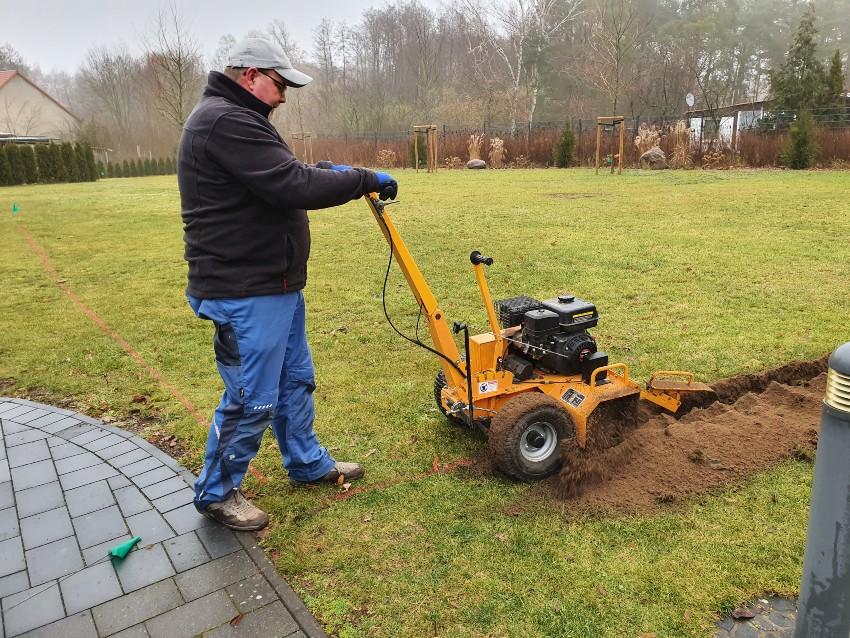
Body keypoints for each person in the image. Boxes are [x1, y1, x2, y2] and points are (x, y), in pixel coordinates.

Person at [177, 36, 397, 531]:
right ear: (251, 75)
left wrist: (331, 171)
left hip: (273, 286)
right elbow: (291, 185)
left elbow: (283, 174)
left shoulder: (241, 119)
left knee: (295, 380)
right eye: (280, 86)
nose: (283, 97)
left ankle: (306, 462)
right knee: (252, 396)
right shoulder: (225, 121)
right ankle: (216, 493)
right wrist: (362, 177)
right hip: (243, 289)